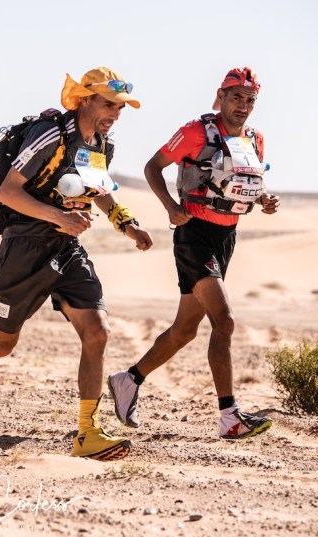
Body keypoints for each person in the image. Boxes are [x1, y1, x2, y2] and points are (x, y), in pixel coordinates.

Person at [0, 67, 153, 462]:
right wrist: (58, 216)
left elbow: (98, 189)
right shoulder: (49, 134)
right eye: (109, 104)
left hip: (66, 246)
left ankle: (87, 433)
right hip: (26, 244)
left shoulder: (101, 144)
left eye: (120, 107)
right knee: (2, 342)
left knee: (97, 331)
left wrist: (125, 222)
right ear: (85, 99)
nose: (115, 113)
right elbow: (8, 192)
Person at [107, 67, 280, 440]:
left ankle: (128, 379)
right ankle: (229, 416)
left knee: (185, 330)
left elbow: (249, 183)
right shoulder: (194, 131)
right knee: (224, 321)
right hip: (193, 235)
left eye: (250, 100)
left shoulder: (255, 139)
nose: (243, 106)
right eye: (236, 97)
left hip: (226, 237)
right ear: (221, 96)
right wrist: (171, 207)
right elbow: (153, 167)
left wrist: (265, 199)